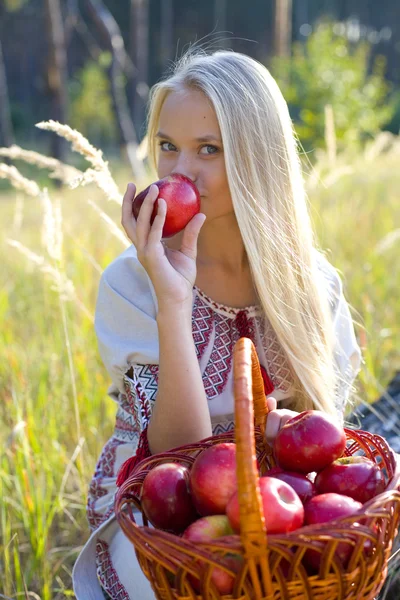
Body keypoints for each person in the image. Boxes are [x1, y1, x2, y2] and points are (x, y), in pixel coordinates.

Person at [72, 49, 361, 599]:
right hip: (165, 514)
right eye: (167, 147)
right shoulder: (132, 283)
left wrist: (282, 434)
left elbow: (323, 442)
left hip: (279, 505)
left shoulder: (313, 285)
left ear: (257, 158)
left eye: (209, 149)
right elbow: (174, 456)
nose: (180, 172)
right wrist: (173, 299)